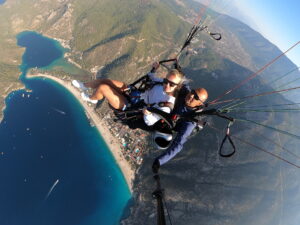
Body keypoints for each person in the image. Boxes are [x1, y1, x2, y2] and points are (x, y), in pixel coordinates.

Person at [71, 62, 185, 126]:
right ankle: (84, 85)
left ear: (177, 86)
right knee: (105, 81)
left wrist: (147, 113)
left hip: (132, 107)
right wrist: (154, 69)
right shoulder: (162, 83)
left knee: (103, 88)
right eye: (166, 81)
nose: (167, 85)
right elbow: (151, 78)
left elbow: (150, 122)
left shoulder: (167, 105)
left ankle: (92, 99)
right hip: (135, 94)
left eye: (171, 84)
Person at [152, 86, 208, 173]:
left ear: (199, 104)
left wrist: (159, 161)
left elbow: (178, 144)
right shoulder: (184, 92)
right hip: (169, 114)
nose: (191, 96)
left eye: (196, 97)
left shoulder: (190, 123)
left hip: (173, 125)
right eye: (193, 92)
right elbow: (181, 82)